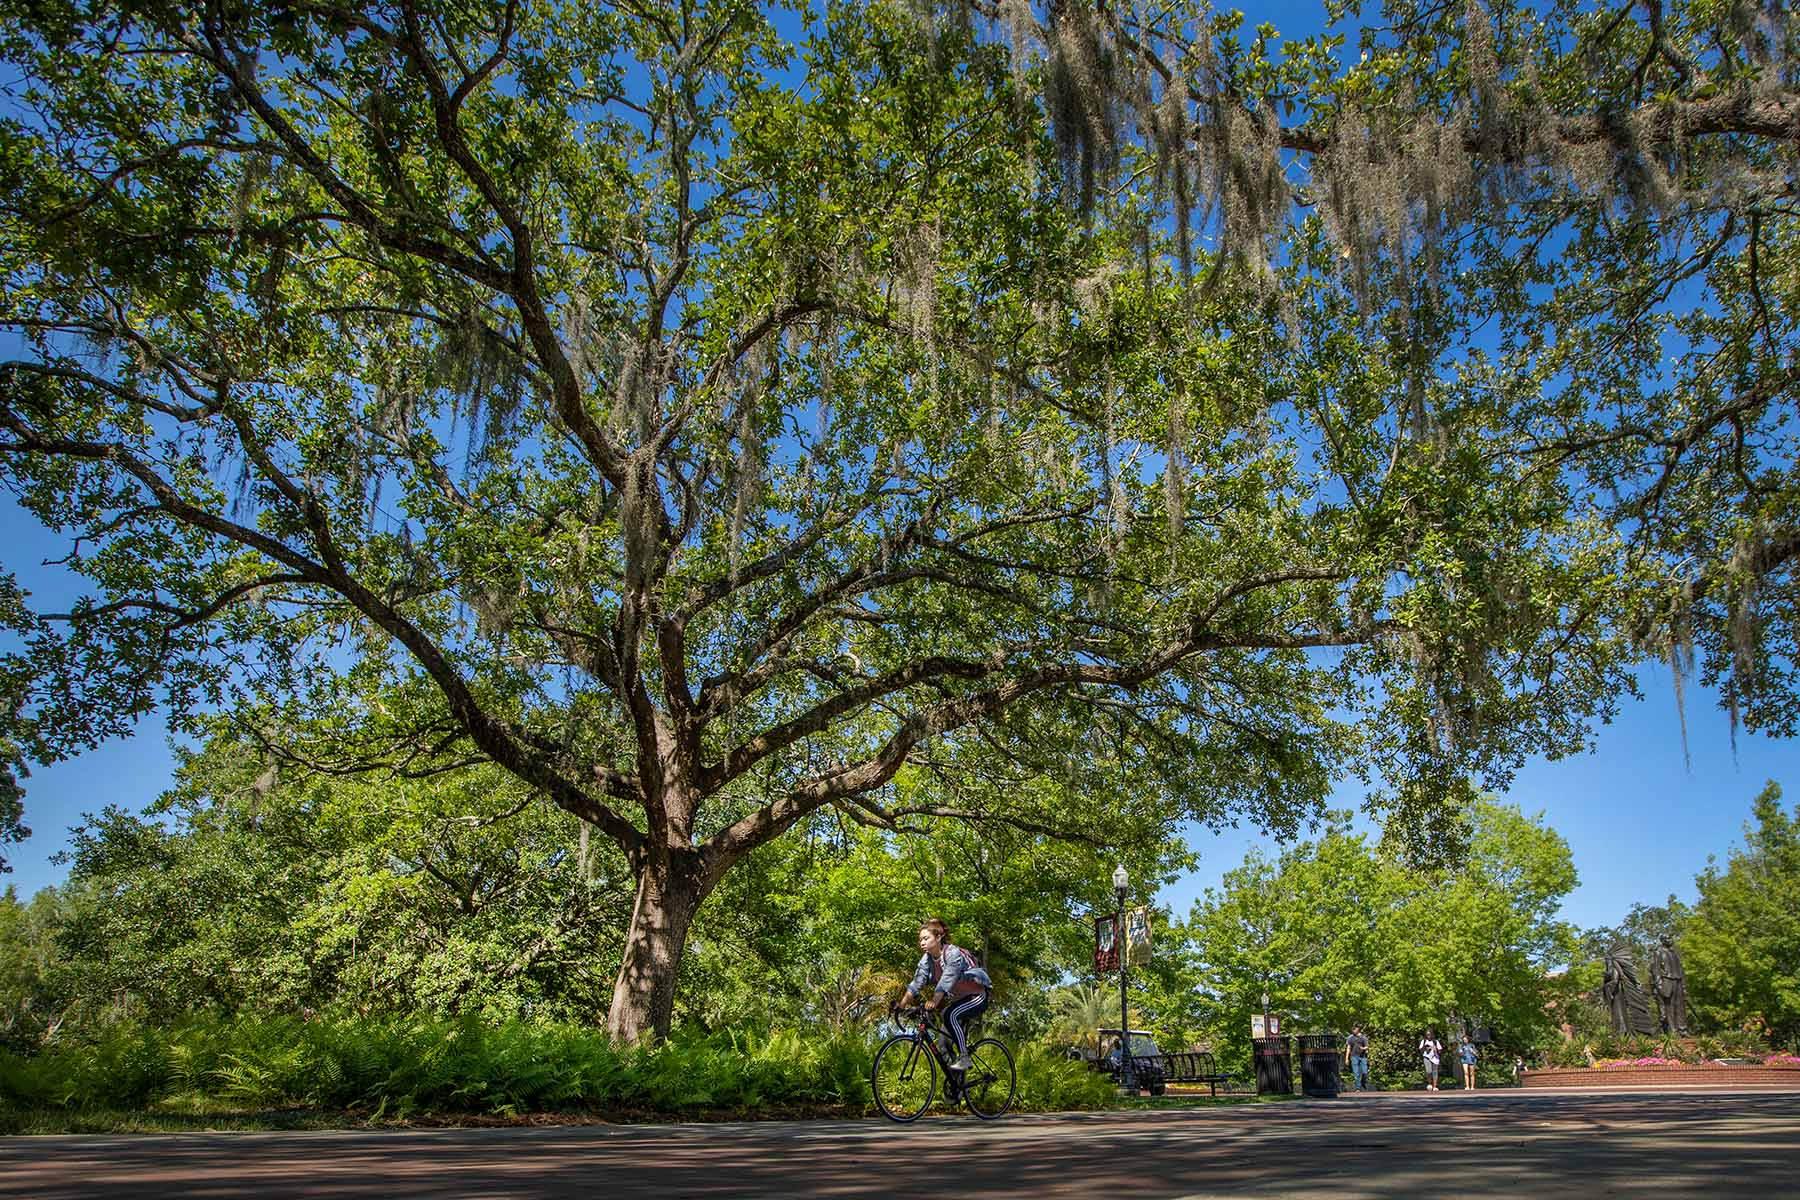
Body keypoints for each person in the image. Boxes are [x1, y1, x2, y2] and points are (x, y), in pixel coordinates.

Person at [894, 918, 992, 1073]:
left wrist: (934, 1001)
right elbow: (917, 982)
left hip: (977, 996)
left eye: (926, 938)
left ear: (938, 937)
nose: (922, 943)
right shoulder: (927, 960)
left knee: (950, 1014)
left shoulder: (952, 953)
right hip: (960, 1000)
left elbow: (947, 979)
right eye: (920, 940)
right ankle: (956, 1087)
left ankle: (965, 1058)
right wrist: (902, 1005)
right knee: (943, 1045)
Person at [1345, 1025, 1371, 1092]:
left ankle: (1363, 1081)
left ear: (1358, 1029)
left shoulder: (1363, 1037)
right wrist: (1346, 1058)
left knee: (1365, 1071)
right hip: (1354, 1056)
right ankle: (1358, 1088)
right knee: (1356, 1073)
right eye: (1352, 1029)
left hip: (1363, 1056)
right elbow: (1348, 1048)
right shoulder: (1350, 1037)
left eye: (1354, 1029)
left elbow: (1367, 1047)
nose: (1353, 1030)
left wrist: (1363, 1048)